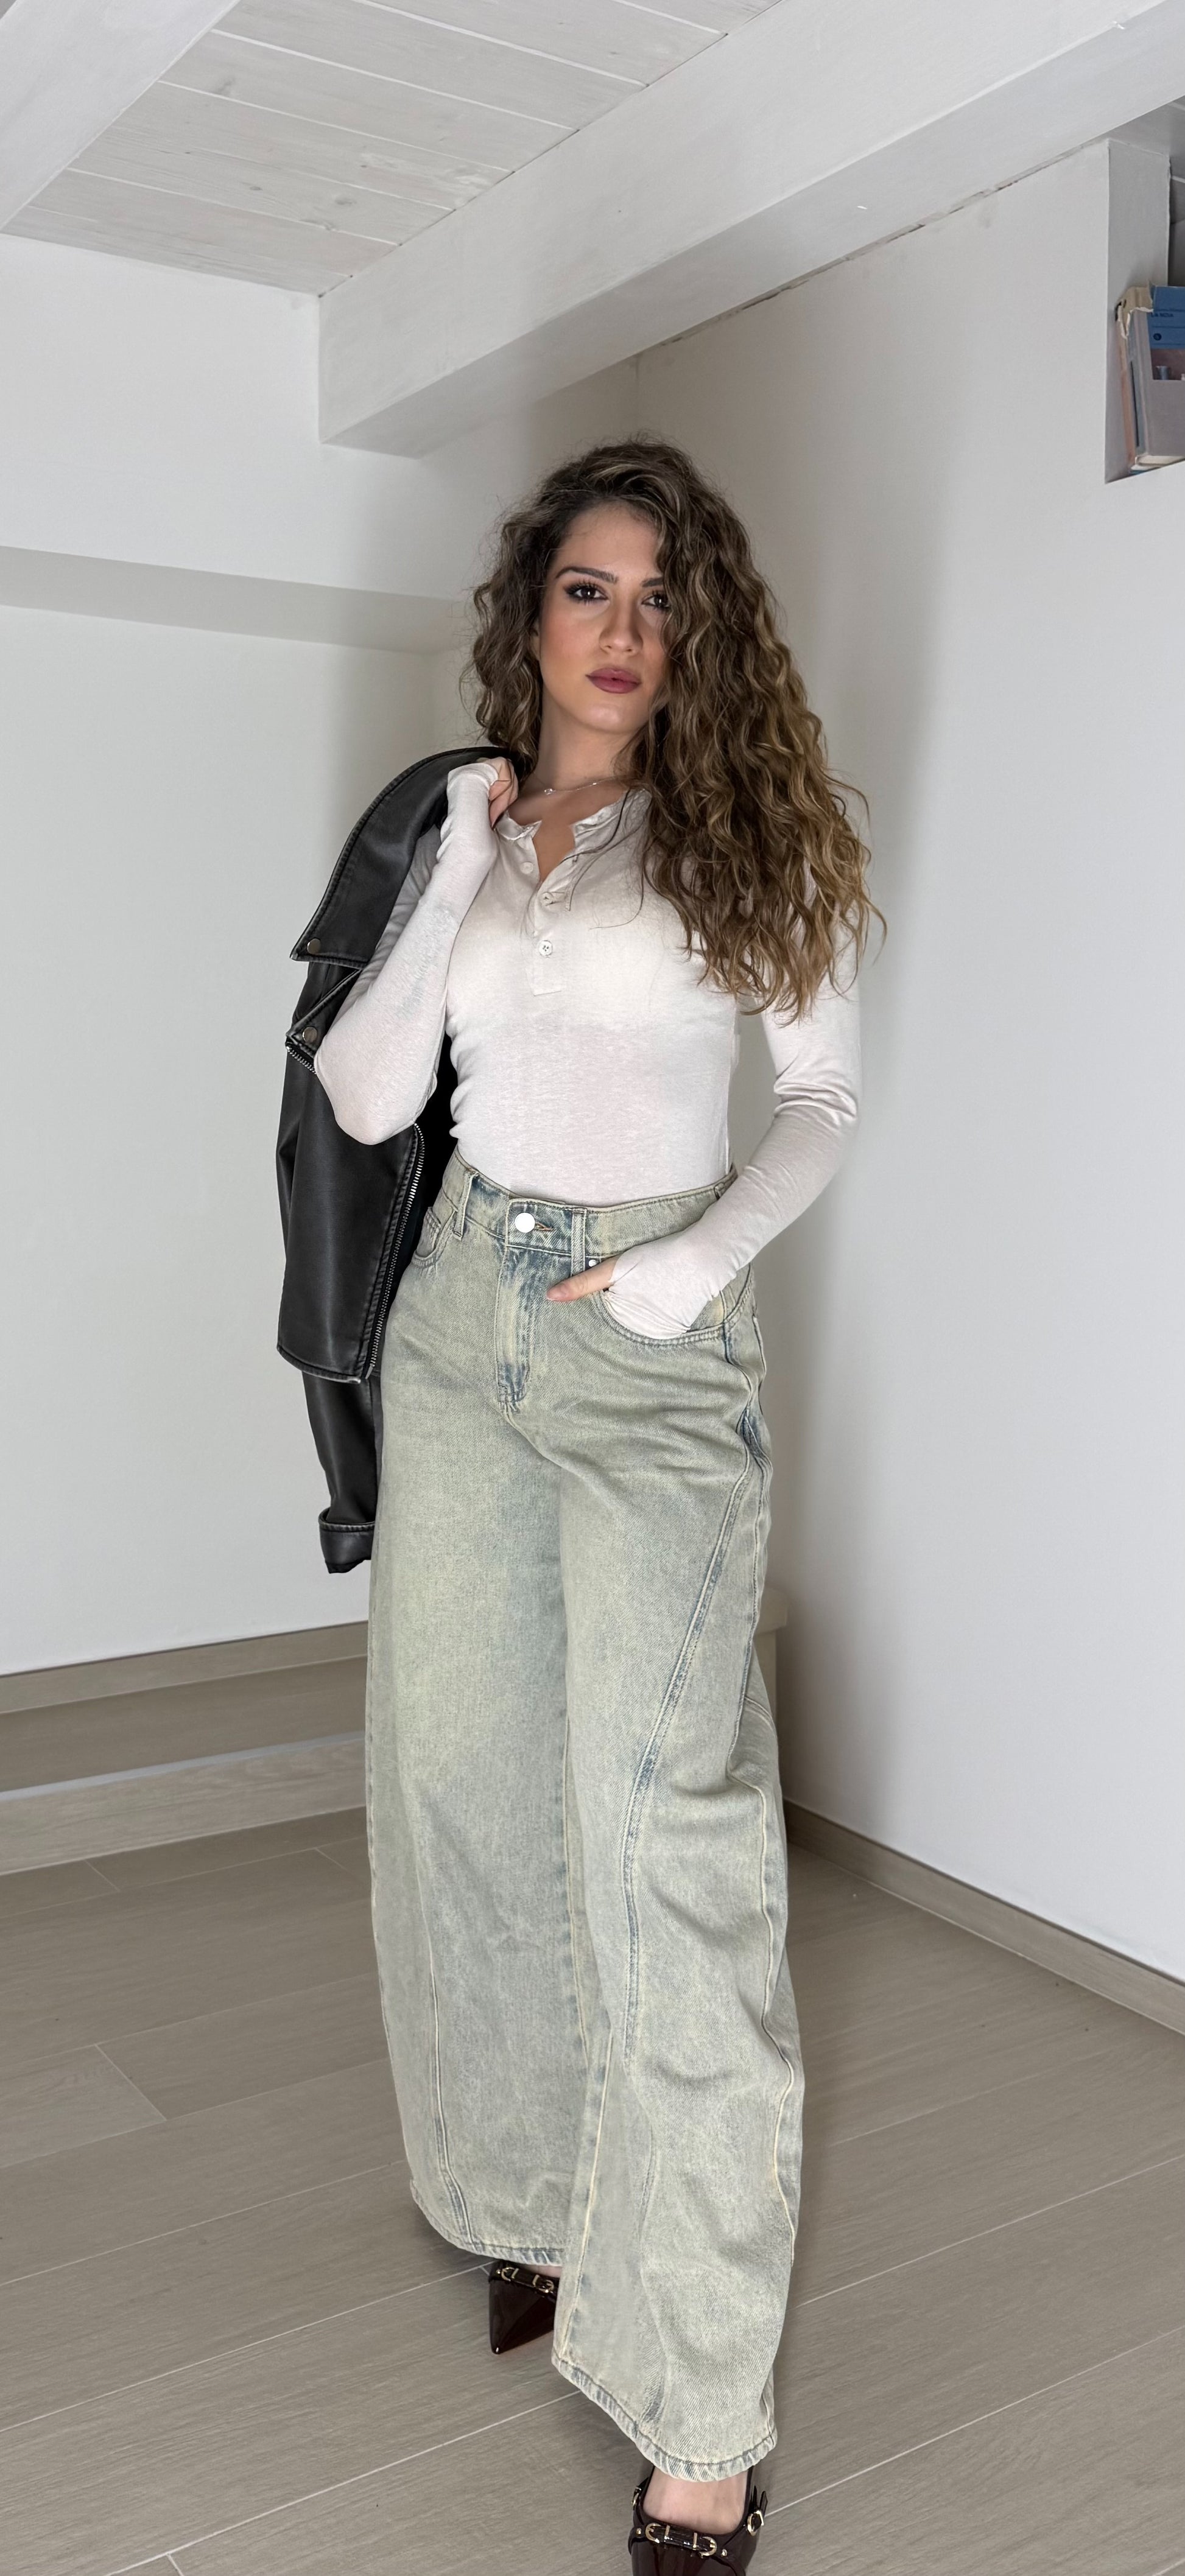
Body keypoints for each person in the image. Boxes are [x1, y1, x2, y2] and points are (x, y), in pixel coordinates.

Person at [313, 437, 877, 2572]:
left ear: (698, 632)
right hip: (461, 1322)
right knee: (462, 1785)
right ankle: (531, 2207)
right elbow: (371, 1090)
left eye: (660, 600)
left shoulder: (750, 834)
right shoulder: (460, 826)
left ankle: (701, 2410)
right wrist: (461, 854)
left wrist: (685, 1272)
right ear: (529, 616)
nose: (623, 632)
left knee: (671, 1847)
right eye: (587, 591)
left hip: (646, 1336)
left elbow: (819, 1098)